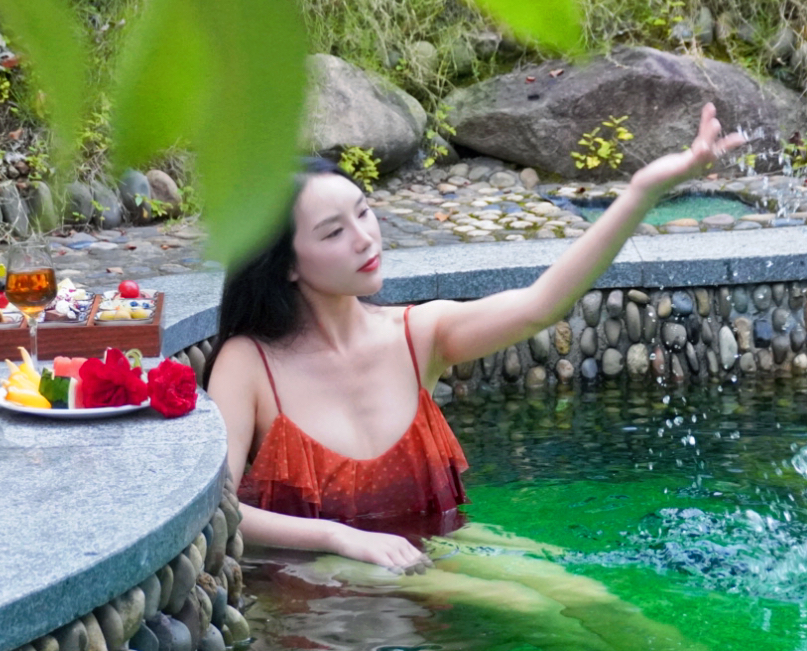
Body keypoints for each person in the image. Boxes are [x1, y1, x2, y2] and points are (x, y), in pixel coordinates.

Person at [204, 102, 744, 572]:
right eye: (333, 232)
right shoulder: (250, 364)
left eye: (364, 212)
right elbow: (217, 510)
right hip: (325, 579)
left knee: (592, 599)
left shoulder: (417, 334)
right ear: (286, 265)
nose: (365, 238)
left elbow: (540, 306)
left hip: (427, 550)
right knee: (536, 607)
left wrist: (643, 191)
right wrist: (341, 538)